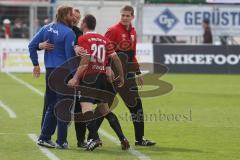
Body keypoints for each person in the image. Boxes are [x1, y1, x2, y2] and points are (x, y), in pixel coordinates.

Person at [96, 5, 156, 146]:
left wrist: (138, 72)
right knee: (105, 106)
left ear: (132, 17)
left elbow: (132, 55)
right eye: (122, 15)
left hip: (128, 76)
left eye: (127, 16)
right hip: (114, 75)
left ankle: (139, 139)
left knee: (136, 107)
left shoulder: (133, 32)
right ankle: (91, 136)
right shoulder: (113, 30)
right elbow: (104, 51)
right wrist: (107, 69)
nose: (124, 18)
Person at [67, 14, 125, 151]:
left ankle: (95, 138)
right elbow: (115, 58)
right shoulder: (104, 39)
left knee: (86, 109)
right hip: (102, 78)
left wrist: (75, 77)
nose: (80, 24)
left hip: (89, 78)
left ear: (85, 24)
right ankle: (122, 138)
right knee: (105, 110)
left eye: (82, 22)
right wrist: (121, 76)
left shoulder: (83, 38)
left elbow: (86, 59)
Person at [28, 5, 76, 149]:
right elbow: (70, 57)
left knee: (52, 106)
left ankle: (44, 138)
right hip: (63, 72)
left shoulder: (46, 28)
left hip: (50, 71)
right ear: (65, 15)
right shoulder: (69, 33)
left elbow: (31, 46)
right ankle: (62, 141)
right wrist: (75, 76)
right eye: (71, 14)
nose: (73, 17)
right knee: (63, 106)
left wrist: (36, 64)